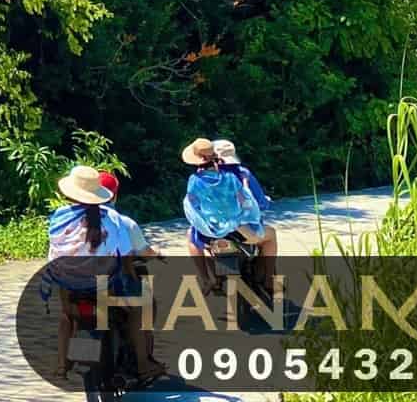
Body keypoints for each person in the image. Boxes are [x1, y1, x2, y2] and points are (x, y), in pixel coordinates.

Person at [44, 165, 161, 381]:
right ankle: (143, 365)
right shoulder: (113, 218)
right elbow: (125, 255)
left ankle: (61, 365)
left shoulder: (58, 217)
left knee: (67, 315)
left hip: (68, 284)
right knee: (138, 309)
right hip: (104, 285)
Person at [181, 136, 277, 291]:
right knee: (271, 236)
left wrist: (207, 222)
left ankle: (207, 279)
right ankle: (269, 280)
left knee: (193, 237)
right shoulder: (236, 176)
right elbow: (250, 202)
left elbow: (192, 207)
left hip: (211, 234)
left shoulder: (194, 180)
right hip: (241, 231)